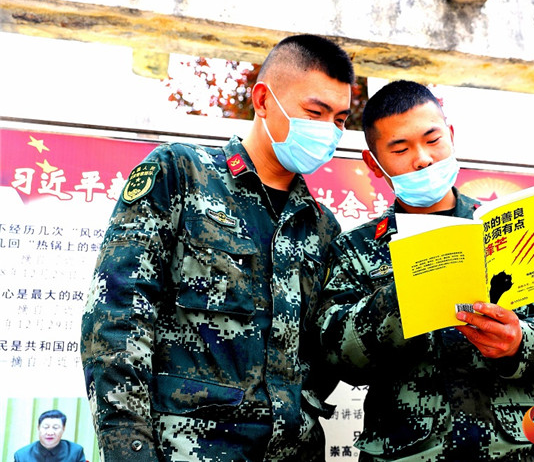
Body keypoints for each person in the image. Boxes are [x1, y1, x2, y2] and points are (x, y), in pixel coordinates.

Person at [81, 34, 354, 461]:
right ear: (262, 100)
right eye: (315, 113)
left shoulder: (322, 227)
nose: (328, 131)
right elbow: (116, 319)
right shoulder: (180, 174)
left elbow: (326, 355)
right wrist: (130, 451)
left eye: (339, 119)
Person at [315, 80, 534, 460]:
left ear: (451, 135)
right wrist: (402, 298)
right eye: (400, 149)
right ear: (374, 163)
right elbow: (334, 353)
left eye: (433, 140)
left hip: (518, 452)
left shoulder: (509, 227)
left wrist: (518, 342)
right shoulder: (357, 249)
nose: (423, 159)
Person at [14, 409, 86, 462]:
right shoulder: (22, 455)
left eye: (55, 427)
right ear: (38, 428)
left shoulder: (75, 452)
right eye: (46, 427)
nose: (50, 432)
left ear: (63, 429)